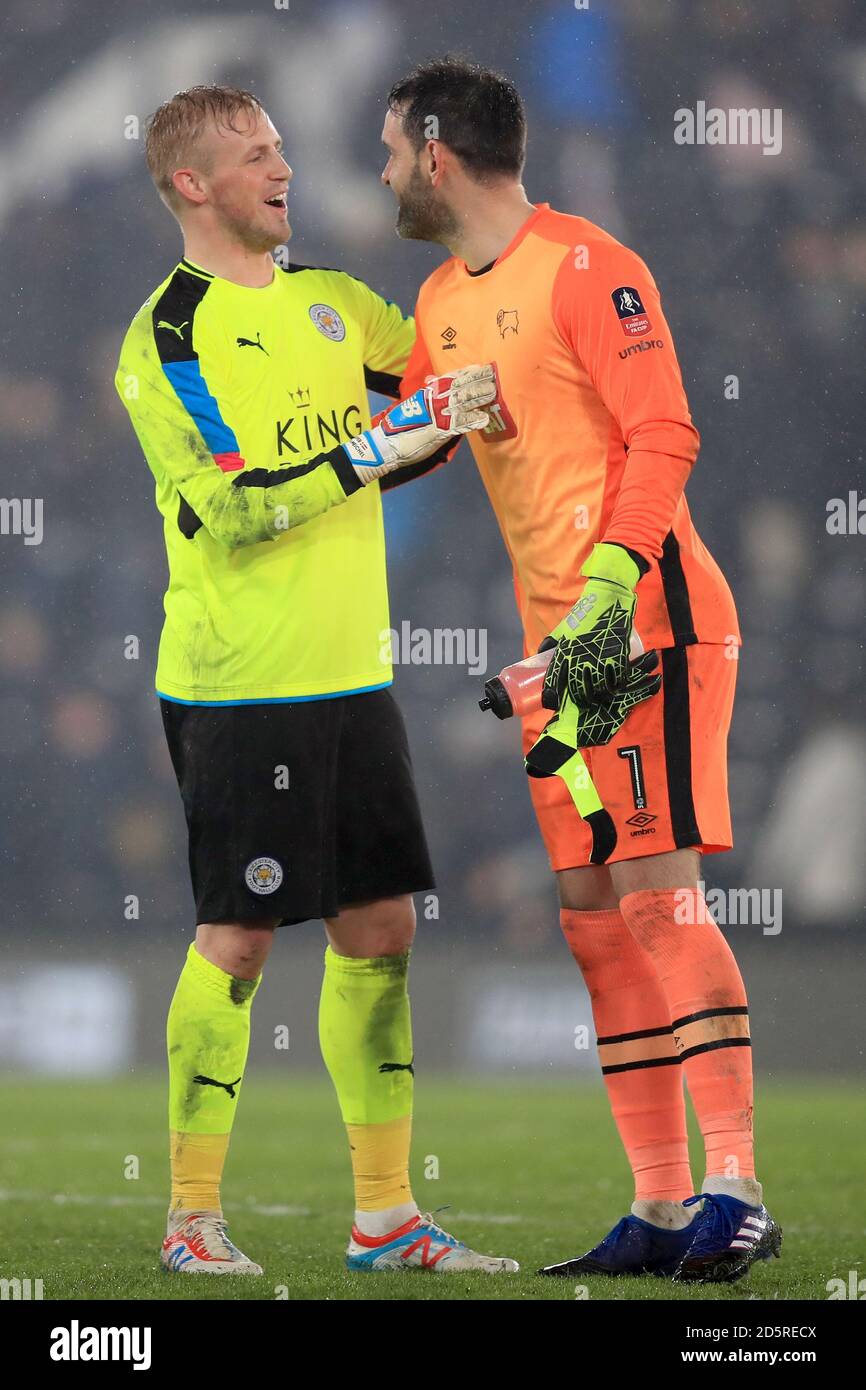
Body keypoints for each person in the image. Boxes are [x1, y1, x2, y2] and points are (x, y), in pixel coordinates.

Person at [378, 56, 781, 1284]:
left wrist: (604, 593)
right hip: (553, 652)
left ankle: (735, 1189)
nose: (383, 171)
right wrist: (385, 419)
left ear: (437, 151)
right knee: (595, 926)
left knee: (655, 899)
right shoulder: (441, 297)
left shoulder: (589, 265)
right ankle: (659, 1207)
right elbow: (406, 444)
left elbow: (665, 429)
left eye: (390, 149)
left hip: (637, 621)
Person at [114, 83, 517, 1276]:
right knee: (239, 939)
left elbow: (429, 413)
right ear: (192, 185)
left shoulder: (340, 306)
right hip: (238, 681)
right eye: (252, 154)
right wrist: (384, 442)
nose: (282, 167)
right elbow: (231, 509)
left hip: (354, 672)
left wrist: (456, 411)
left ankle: (385, 1217)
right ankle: (190, 1217)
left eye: (282, 146)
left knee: (382, 925)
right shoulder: (167, 337)